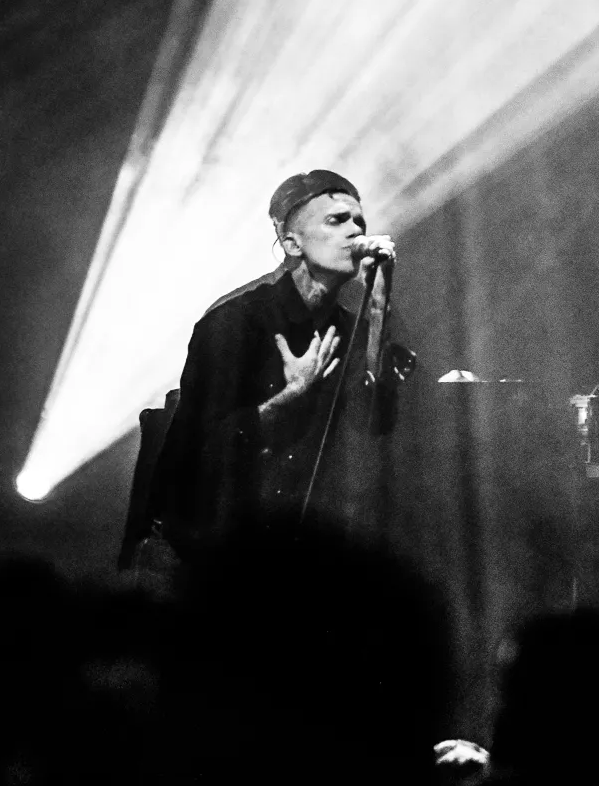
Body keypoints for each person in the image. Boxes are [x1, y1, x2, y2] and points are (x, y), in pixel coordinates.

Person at [138, 169, 405, 562]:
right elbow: (203, 452)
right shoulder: (236, 321)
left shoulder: (353, 330)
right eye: (337, 220)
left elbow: (377, 425)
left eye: (359, 222)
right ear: (291, 242)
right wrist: (292, 396)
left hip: (288, 549)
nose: (356, 232)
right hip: (203, 552)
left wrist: (379, 303)